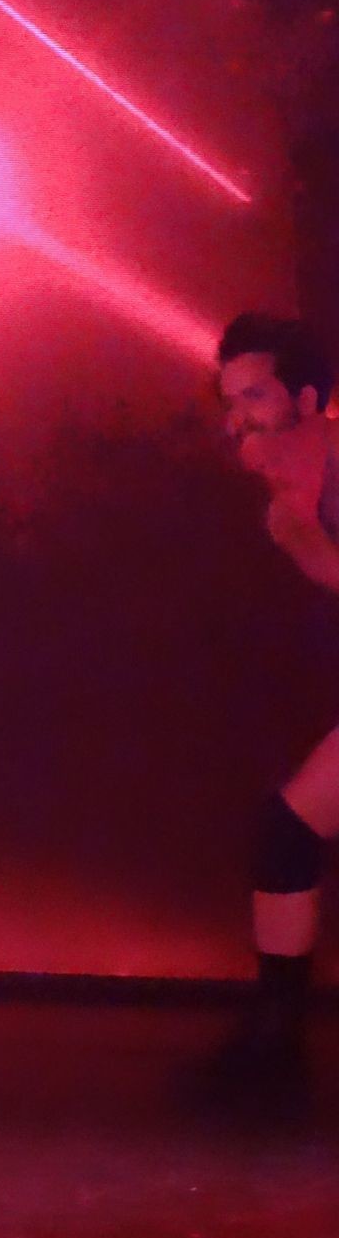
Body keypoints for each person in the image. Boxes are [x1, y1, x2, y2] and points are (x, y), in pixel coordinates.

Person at [213, 311, 339, 1092]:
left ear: (309, 399)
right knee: (287, 831)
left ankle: (274, 1048)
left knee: (288, 830)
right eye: (231, 402)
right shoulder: (290, 503)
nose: (239, 421)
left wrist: (310, 544)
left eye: (256, 397)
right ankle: (275, 1046)